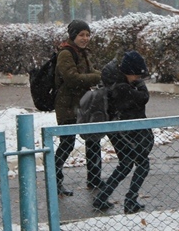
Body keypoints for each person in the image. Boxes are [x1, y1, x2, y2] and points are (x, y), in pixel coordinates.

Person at [92, 51, 154, 214]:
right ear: (127, 72)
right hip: (124, 131)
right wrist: (140, 87)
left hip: (120, 130)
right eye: (136, 75)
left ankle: (102, 198)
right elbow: (143, 98)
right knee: (142, 164)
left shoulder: (117, 83)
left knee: (126, 164)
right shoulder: (121, 88)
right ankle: (130, 200)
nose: (139, 79)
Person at [53, 20, 102, 197]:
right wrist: (96, 77)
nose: (85, 38)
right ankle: (55, 180)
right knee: (67, 143)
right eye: (81, 35)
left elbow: (89, 72)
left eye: (88, 35)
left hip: (84, 104)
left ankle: (95, 178)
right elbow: (72, 78)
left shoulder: (82, 53)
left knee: (93, 140)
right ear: (73, 35)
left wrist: (98, 75)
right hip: (67, 106)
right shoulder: (66, 53)